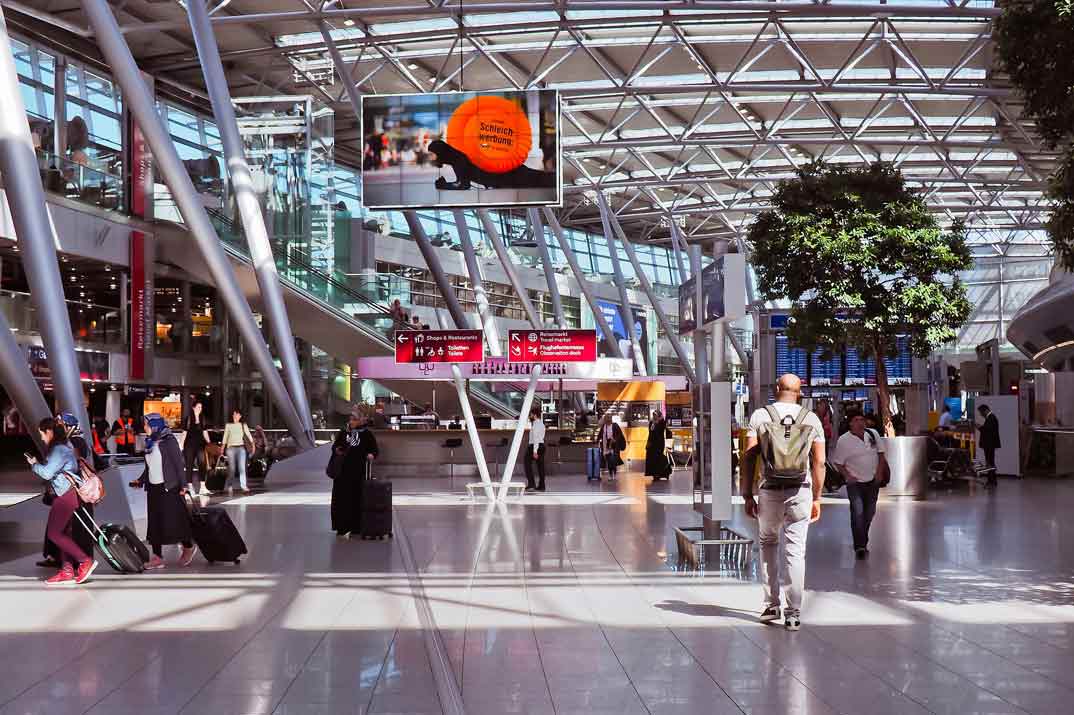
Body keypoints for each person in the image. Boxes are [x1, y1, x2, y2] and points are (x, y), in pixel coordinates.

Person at [742, 374, 825, 632]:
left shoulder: (759, 416)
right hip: (801, 490)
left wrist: (747, 493)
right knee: (795, 551)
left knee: (768, 543)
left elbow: (747, 457)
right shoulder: (811, 419)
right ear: (799, 392)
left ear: (777, 388)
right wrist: (818, 497)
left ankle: (771, 605)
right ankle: (793, 613)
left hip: (769, 490)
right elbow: (819, 462)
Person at [26, 418, 98, 587]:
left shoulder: (58, 449)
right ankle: (67, 570)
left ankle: (84, 561)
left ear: (49, 432)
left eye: (42, 434)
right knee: (63, 534)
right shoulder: (66, 445)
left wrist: (34, 464)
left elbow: (47, 473)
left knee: (54, 534)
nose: (43, 438)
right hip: (67, 494)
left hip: (65, 496)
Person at [140, 414, 197, 569]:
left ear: (155, 425)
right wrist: (141, 479)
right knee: (154, 522)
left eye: (147, 424)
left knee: (175, 521)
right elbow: (150, 467)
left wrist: (184, 485)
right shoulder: (149, 443)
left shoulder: (169, 441)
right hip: (153, 488)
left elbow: (179, 464)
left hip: (169, 487)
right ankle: (157, 557)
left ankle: (188, 547)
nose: (144, 427)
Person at [831, 410, 889, 559]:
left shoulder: (873, 434)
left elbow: (881, 455)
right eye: (856, 420)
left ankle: (863, 538)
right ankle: (860, 546)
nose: (860, 422)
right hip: (855, 483)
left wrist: (879, 473)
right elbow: (838, 463)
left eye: (862, 419)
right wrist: (848, 476)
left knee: (869, 513)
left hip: (873, 480)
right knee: (857, 513)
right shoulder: (844, 440)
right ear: (850, 423)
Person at [330, 407, 379, 536]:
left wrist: (371, 455)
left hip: (358, 473)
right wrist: (337, 450)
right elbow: (335, 446)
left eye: (354, 419)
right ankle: (342, 526)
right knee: (342, 500)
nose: (351, 421)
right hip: (343, 473)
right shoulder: (344, 432)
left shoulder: (366, 434)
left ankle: (356, 526)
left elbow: (374, 450)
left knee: (357, 499)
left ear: (360, 420)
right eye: (351, 419)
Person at [181, 399, 212, 497]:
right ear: (193, 407)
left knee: (202, 464)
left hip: (200, 445)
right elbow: (184, 433)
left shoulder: (203, 418)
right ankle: (190, 487)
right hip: (189, 445)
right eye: (198, 407)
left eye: (201, 407)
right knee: (189, 465)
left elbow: (205, 432)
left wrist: (209, 442)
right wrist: (181, 445)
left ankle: (202, 486)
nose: (200, 409)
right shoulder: (188, 419)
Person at [221, 408, 254, 495]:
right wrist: (222, 448)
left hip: (241, 448)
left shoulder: (243, 425)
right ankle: (230, 485)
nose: (234, 416)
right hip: (230, 448)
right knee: (232, 469)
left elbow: (249, 436)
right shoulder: (228, 425)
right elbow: (225, 437)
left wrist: (253, 446)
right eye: (233, 414)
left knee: (242, 468)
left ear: (240, 416)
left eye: (236, 414)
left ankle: (244, 486)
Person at [977, 404, 1000, 489]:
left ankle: (991, 481)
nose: (980, 414)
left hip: (990, 445)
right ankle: (992, 480)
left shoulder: (991, 418)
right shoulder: (990, 418)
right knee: (989, 462)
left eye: (981, 412)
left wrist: (978, 426)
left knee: (990, 462)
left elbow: (987, 430)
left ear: (986, 410)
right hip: (989, 444)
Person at [644, 410, 673, 481]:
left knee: (658, 457)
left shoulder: (661, 422)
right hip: (651, 443)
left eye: (656, 415)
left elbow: (664, 425)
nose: (654, 416)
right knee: (651, 458)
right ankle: (654, 474)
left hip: (659, 443)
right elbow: (650, 433)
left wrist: (662, 418)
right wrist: (648, 443)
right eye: (653, 415)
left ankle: (663, 472)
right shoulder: (651, 422)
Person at [596, 413, 626, 480]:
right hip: (605, 446)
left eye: (609, 418)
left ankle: (614, 475)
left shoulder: (615, 425)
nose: (608, 419)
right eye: (607, 418)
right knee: (609, 461)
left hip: (614, 446)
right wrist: (597, 441)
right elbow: (600, 434)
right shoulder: (604, 426)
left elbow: (620, 435)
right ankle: (610, 474)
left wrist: (614, 440)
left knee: (613, 461)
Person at [524, 407, 547, 493]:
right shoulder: (541, 424)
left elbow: (536, 438)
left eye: (531, 414)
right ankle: (542, 486)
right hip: (541, 446)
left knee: (527, 463)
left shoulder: (536, 425)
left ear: (535, 415)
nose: (530, 416)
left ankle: (531, 483)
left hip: (535, 446)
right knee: (540, 466)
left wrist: (534, 451)